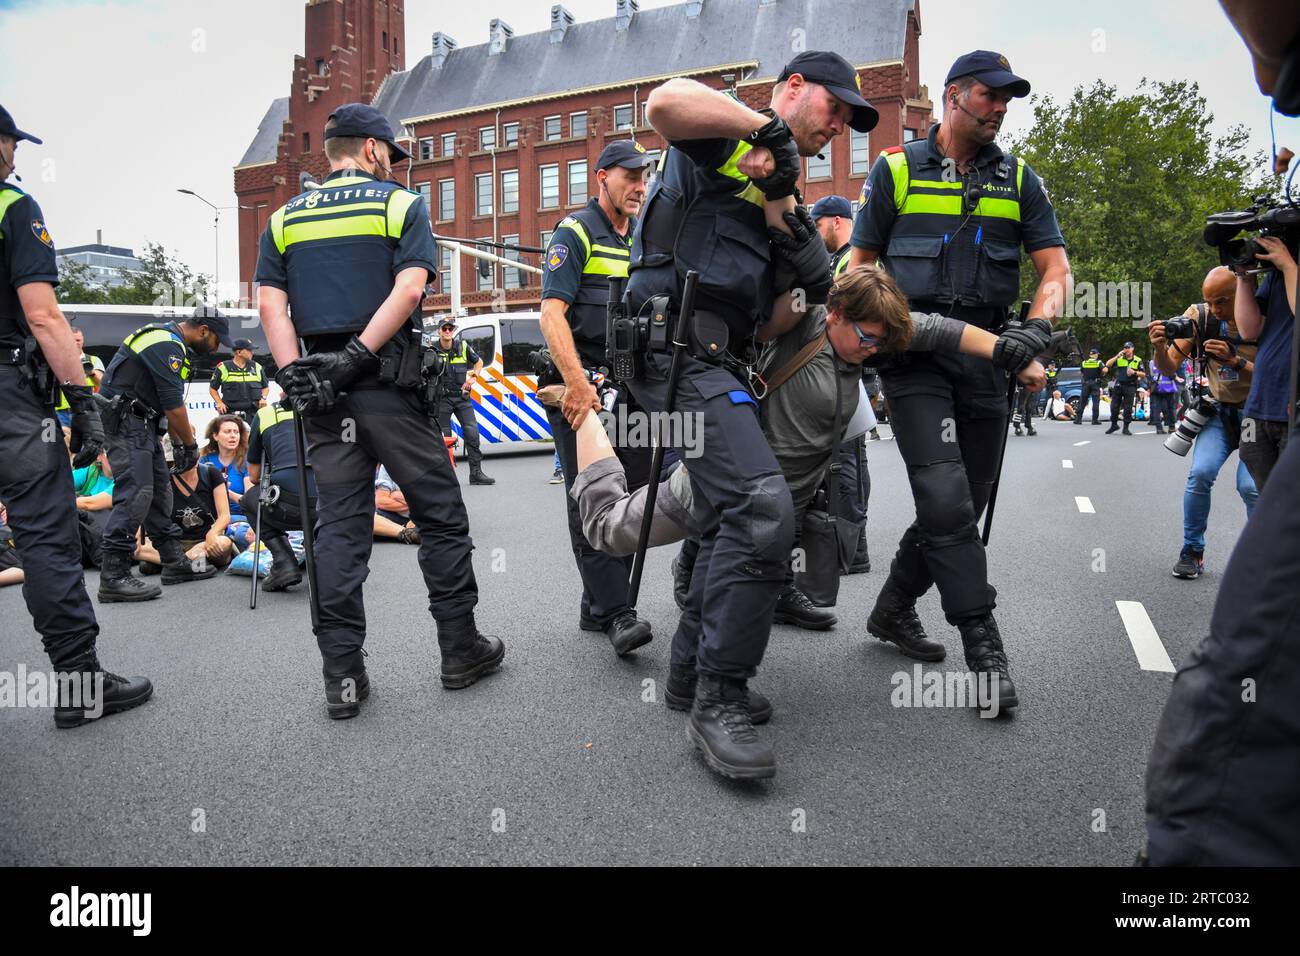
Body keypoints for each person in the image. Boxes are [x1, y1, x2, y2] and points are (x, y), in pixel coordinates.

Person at [621, 50, 877, 779]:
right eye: (833, 109)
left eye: (850, 123)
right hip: (672, 350)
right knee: (765, 509)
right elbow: (663, 101)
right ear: (793, 88)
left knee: (733, 510)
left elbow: (802, 296)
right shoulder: (728, 133)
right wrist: (764, 134)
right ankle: (718, 699)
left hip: (721, 361)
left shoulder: (783, 190)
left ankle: (685, 674)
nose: (839, 128)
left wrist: (785, 214)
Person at [257, 103, 502, 718]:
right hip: (387, 389)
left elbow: (271, 308)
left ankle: (342, 677)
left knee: (337, 529)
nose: (393, 165)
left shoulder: (283, 218)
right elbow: (412, 287)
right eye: (391, 155)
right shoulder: (399, 204)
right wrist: (358, 356)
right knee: (441, 517)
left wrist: (297, 377)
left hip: (321, 397)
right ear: (371, 150)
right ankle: (459, 650)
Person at [847, 51, 1070, 712]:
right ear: (952, 96)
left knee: (963, 504)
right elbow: (857, 271)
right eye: (988, 95)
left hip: (989, 357)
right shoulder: (893, 171)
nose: (1000, 107)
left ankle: (892, 608)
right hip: (913, 357)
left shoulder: (1021, 179)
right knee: (944, 497)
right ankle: (983, 643)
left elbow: (1055, 270)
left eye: (1008, 98)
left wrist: (1035, 329)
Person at [0, 102, 151, 725]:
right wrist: (80, 399)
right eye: (11, 144)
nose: (14, 156)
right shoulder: (13, 206)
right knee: (44, 536)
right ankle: (80, 686)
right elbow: (43, 314)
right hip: (9, 397)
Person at [540, 139, 657, 657]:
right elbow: (552, 314)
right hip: (579, 386)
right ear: (602, 177)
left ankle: (596, 604)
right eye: (629, 175)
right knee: (591, 493)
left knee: (633, 490)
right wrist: (579, 386)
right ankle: (616, 611)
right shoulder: (575, 232)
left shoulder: (643, 238)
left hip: (629, 387)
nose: (639, 185)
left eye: (645, 176)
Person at [97, 306, 226, 598]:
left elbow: (160, 403)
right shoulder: (164, 342)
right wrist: (190, 446)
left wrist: (177, 442)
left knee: (157, 492)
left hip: (143, 424)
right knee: (136, 492)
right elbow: (173, 405)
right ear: (204, 330)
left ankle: (173, 562)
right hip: (128, 424)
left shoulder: (168, 339)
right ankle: (113, 575)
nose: (216, 349)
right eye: (217, 340)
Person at [1148, 267, 1259, 580]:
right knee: (1200, 474)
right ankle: (1192, 551)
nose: (1214, 309)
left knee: (1250, 487)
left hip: (1257, 415)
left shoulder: (1269, 313)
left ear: (1244, 293)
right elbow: (1169, 367)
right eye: (1209, 301)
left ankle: (1261, 558)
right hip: (1218, 413)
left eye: (1221, 302)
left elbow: (1281, 373)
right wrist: (1158, 346)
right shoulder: (1201, 317)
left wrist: (1236, 361)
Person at [811, 194, 873, 576]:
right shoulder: (847, 259)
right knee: (851, 458)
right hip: (852, 370)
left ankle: (850, 547)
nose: (816, 236)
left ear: (836, 221)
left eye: (818, 227)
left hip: (848, 371)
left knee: (845, 459)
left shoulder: (853, 261)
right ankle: (855, 544)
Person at [1232, 235, 1296, 491]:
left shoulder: (1288, 268)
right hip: (1259, 407)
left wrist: (1290, 266)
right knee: (1266, 495)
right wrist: (1244, 276)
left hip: (1292, 409)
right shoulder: (1277, 274)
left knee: (1290, 501)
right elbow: (1249, 330)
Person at [244, 401, 314, 591]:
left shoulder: (265, 414)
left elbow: (254, 476)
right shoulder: (328, 405)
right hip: (332, 504)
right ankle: (324, 557)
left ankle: (284, 563)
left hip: (287, 507)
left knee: (250, 498)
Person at [136, 458, 234, 573]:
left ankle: (171, 561)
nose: (194, 457)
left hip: (205, 541)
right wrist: (137, 535)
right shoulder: (163, 480)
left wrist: (212, 534)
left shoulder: (211, 473)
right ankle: (188, 561)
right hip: (176, 543)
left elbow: (225, 515)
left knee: (224, 543)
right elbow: (148, 514)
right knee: (134, 547)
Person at [431, 318, 493, 485]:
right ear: (439, 331)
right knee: (444, 438)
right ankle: (445, 477)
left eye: (450, 328)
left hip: (462, 397)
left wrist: (474, 377)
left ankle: (476, 474)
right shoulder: (432, 349)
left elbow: (478, 362)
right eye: (444, 328)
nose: (447, 331)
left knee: (472, 433)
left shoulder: (463, 346)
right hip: (442, 399)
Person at [53, 326, 103, 430]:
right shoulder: (56, 360)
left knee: (86, 444)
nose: (76, 343)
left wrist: (90, 372)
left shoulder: (93, 360)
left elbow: (102, 383)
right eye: (72, 340)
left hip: (85, 411)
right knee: (60, 443)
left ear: (83, 340)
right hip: (61, 412)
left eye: (78, 340)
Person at [208, 337, 269, 421]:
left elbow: (265, 387)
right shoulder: (223, 367)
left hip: (253, 416)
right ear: (239, 352)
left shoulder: (257, 367)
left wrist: (263, 398)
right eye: (249, 350)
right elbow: (212, 388)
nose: (252, 352)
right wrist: (219, 403)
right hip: (230, 416)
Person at [373, 465, 422, 543]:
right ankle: (408, 533)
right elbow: (381, 501)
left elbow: (436, 498)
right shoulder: (387, 464)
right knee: (364, 518)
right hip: (392, 515)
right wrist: (416, 500)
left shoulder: (430, 460)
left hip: (423, 513)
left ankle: (392, 531)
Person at [1104, 341, 1145, 434]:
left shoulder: (1137, 360)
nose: (1126, 350)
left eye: (1128, 348)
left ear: (1132, 349)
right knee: (1114, 406)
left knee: (1128, 408)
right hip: (1119, 385)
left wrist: (1134, 372)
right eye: (1125, 348)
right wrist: (1116, 356)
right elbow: (1108, 364)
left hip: (1130, 386)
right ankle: (1114, 425)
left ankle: (1126, 427)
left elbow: (1143, 374)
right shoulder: (1120, 358)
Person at [1147, 355, 1181, 434]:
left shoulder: (1152, 362)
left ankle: (1159, 428)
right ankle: (1171, 427)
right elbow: (1172, 375)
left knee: (1156, 409)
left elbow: (1151, 374)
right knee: (1171, 408)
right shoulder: (1168, 363)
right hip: (1168, 388)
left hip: (1156, 387)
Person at [1074, 346, 1106, 424]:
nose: (1097, 356)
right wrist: (1102, 373)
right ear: (1095, 355)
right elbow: (1104, 370)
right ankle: (1094, 420)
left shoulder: (1084, 362)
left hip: (1086, 383)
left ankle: (1078, 419)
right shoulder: (1098, 362)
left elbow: (1082, 372)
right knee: (1095, 402)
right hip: (1095, 383)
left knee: (1082, 401)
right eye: (1097, 354)